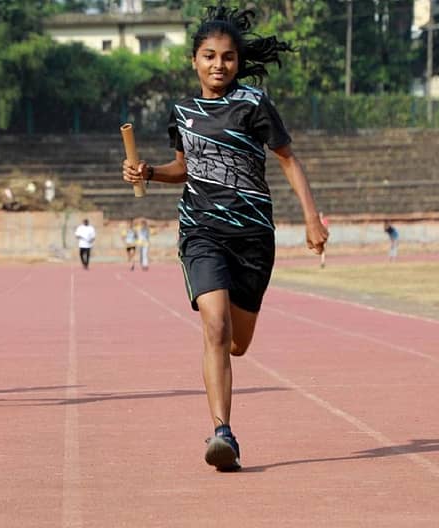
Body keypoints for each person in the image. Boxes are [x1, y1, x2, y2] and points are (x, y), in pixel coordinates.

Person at [122, 6, 328, 472]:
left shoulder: (253, 104)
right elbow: (184, 168)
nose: (219, 65)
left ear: (238, 61)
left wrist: (312, 219)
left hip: (253, 236)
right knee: (214, 325)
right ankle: (223, 434)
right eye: (210, 56)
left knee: (237, 342)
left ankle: (225, 409)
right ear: (194, 60)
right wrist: (150, 171)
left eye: (229, 57)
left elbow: (288, 160)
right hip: (201, 231)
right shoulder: (182, 112)